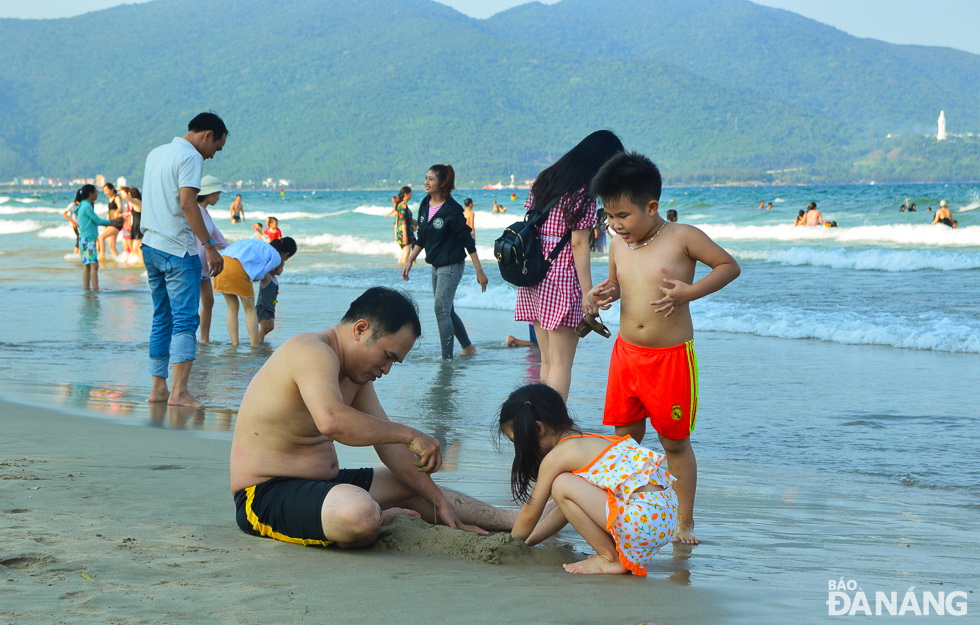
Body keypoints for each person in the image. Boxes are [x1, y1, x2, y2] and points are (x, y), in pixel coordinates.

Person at [230, 287, 517, 549]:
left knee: (414, 483)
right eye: (387, 356)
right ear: (361, 329)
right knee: (359, 515)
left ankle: (517, 520)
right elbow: (332, 421)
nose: (387, 369)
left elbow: (390, 448)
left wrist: (439, 502)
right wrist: (411, 434)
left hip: (322, 486)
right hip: (265, 494)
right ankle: (376, 515)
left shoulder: (356, 377)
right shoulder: (311, 351)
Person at [588, 151, 741, 546]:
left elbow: (728, 266)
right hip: (626, 355)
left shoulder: (682, 237)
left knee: (674, 442)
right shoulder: (620, 244)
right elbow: (620, 283)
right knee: (625, 439)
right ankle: (624, 508)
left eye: (622, 215)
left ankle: (683, 521)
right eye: (608, 216)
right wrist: (605, 293)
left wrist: (690, 292)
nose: (614, 225)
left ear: (651, 206)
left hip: (670, 359)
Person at [499, 383, 676, 575]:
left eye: (516, 441)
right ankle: (612, 555)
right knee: (564, 488)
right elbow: (566, 509)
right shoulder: (592, 441)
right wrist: (529, 542)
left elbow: (530, 512)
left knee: (561, 484)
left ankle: (608, 558)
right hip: (660, 521)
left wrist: (510, 544)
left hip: (641, 522)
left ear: (538, 429)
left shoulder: (559, 456)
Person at [514, 130, 624, 400]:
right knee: (562, 363)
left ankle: (539, 420)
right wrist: (589, 293)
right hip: (561, 279)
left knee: (548, 361)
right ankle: (553, 425)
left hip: (535, 275)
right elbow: (578, 245)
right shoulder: (582, 195)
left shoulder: (544, 180)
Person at [141, 111, 228, 407]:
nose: (213, 156)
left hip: (150, 245)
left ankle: (158, 389)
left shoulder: (157, 153)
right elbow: (188, 204)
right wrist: (210, 246)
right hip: (178, 250)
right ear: (207, 136)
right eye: (216, 147)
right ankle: (179, 392)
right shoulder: (191, 157)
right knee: (185, 321)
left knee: (161, 317)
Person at [402, 164, 488, 360]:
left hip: (452, 265)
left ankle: (446, 359)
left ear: (443, 183)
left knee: (440, 308)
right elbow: (422, 237)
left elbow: (468, 241)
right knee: (446, 309)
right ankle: (467, 347)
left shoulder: (452, 210)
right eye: (426, 178)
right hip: (436, 265)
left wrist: (479, 271)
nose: (426, 182)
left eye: (431, 179)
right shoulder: (425, 204)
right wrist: (409, 260)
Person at [213, 237, 297, 346]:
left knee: (232, 308)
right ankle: (254, 345)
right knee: (250, 310)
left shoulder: (258, 244)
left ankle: (235, 344)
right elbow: (260, 274)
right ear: (286, 254)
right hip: (237, 268)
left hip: (221, 264)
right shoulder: (276, 257)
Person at [194, 176, 230, 343]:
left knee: (208, 302)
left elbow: (220, 240)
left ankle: (204, 340)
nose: (219, 197)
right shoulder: (194, 210)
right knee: (191, 306)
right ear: (209, 193)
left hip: (204, 267)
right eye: (218, 193)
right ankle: (188, 339)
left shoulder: (206, 213)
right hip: (192, 263)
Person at [74, 184, 115, 290]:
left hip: (84, 239)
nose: (97, 194)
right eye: (96, 192)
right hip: (88, 239)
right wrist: (113, 222)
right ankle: (95, 289)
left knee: (88, 265)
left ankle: (87, 289)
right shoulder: (87, 205)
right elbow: (97, 221)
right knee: (93, 265)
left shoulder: (84, 204)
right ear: (91, 194)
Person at [97, 183, 124, 260]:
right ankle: (117, 260)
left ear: (112, 189)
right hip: (111, 222)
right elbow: (109, 212)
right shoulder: (110, 199)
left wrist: (116, 212)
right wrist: (106, 223)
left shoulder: (116, 198)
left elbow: (120, 207)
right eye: (104, 191)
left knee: (101, 237)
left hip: (117, 222)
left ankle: (102, 256)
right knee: (111, 246)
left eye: (107, 190)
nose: (105, 193)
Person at [256, 264, 282, 344]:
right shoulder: (267, 277)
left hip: (271, 307)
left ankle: (257, 337)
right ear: (273, 268)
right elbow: (262, 269)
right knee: (264, 326)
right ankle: (259, 343)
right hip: (263, 306)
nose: (282, 270)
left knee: (271, 327)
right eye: (281, 267)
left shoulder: (275, 279)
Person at [392, 186, 415, 264]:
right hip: (404, 233)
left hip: (402, 232)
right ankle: (404, 272)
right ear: (406, 194)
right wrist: (405, 236)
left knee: (403, 253)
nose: (411, 194)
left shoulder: (401, 205)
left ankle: (400, 270)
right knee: (406, 252)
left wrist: (415, 222)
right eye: (410, 193)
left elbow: (406, 218)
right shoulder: (403, 206)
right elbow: (403, 221)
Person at [120, 187, 143, 261]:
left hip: (138, 226)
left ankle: (141, 263)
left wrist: (122, 192)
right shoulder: (135, 202)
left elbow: (128, 198)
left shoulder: (137, 201)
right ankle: (140, 262)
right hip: (136, 226)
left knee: (136, 248)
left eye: (130, 194)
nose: (129, 196)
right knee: (136, 248)